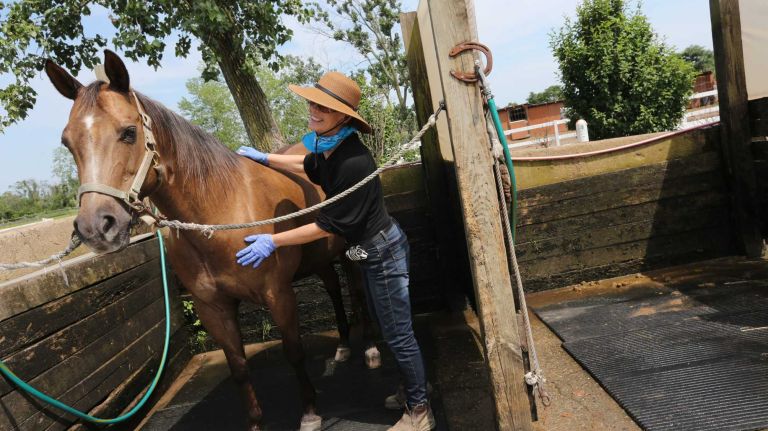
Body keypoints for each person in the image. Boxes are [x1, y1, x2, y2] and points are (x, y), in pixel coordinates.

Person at [235, 71, 435, 431]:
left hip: (382, 253)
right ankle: (413, 388)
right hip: (367, 251)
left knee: (398, 333)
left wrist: (273, 240)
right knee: (390, 328)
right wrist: (265, 158)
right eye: (313, 102)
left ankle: (420, 411)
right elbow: (306, 165)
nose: (314, 109)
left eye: (324, 107)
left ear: (343, 116)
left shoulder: (352, 162)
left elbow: (328, 226)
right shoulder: (329, 147)